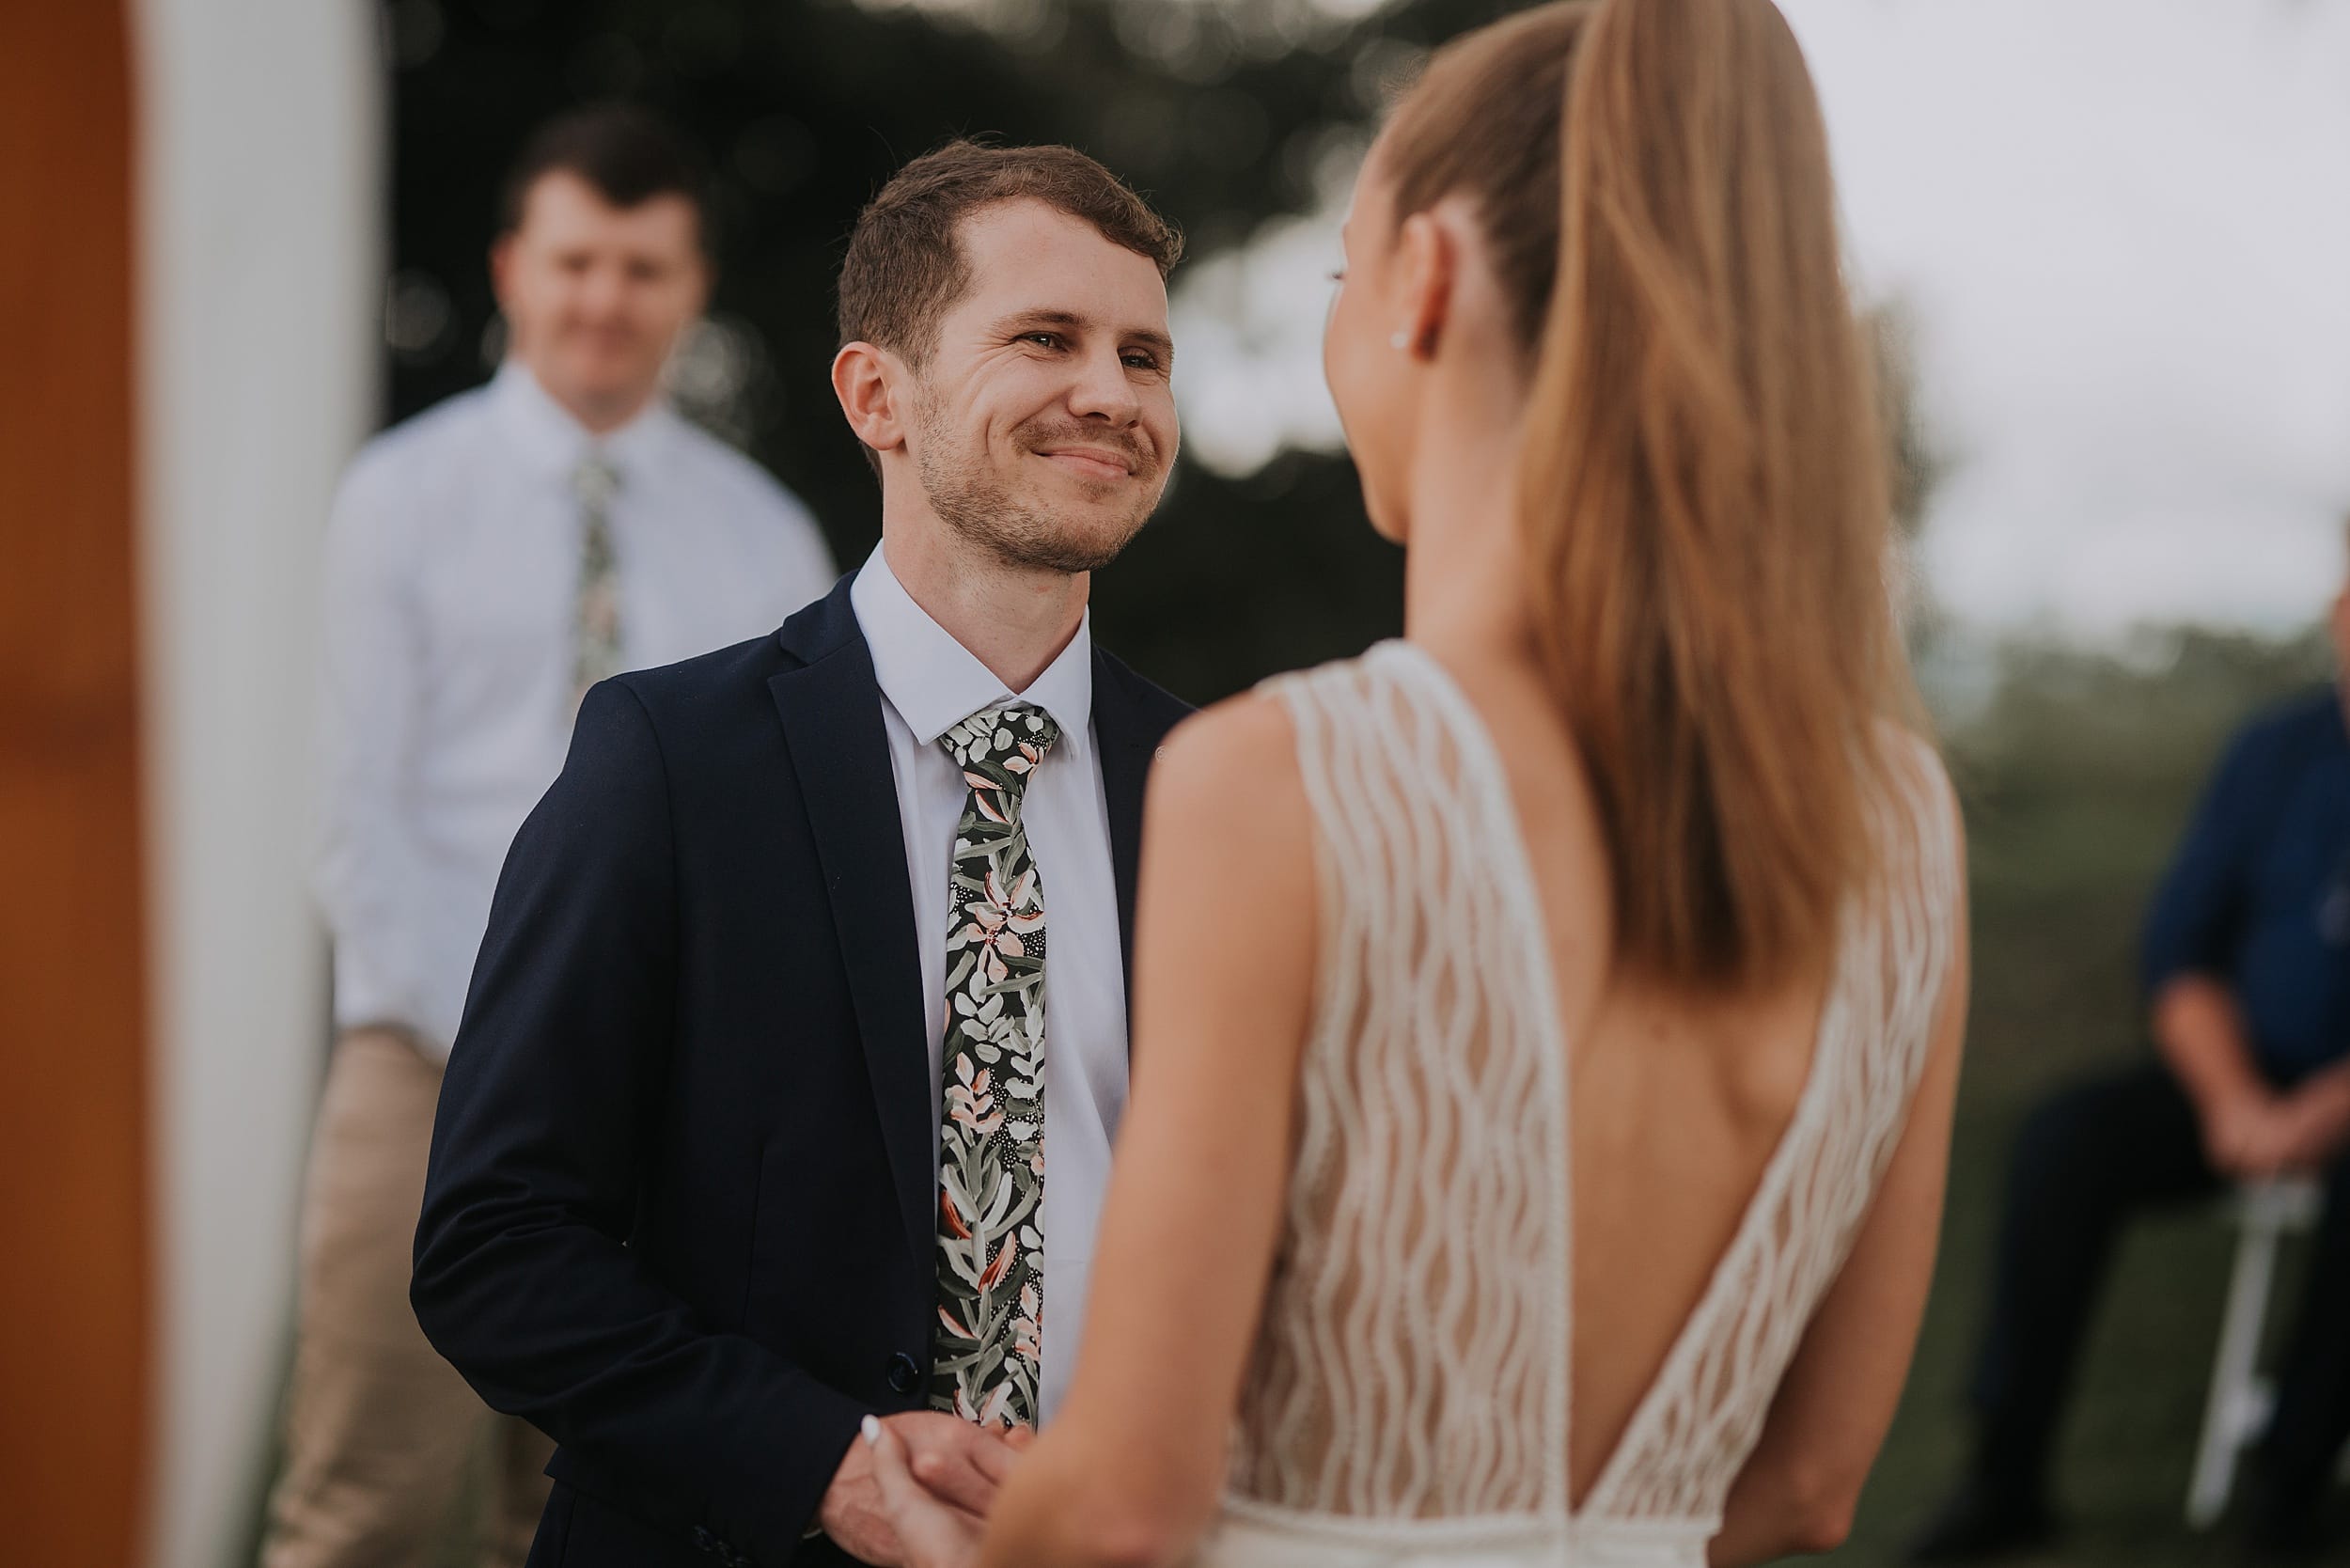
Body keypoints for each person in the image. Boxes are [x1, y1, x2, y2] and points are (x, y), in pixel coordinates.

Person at [856, 3, 1972, 1567]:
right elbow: (1805, 1488)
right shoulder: (1896, 818)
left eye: (1342, 275)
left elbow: (1118, 1510)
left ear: (1427, 278)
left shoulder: (1281, 779)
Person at [409, 139, 1193, 1566]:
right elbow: (496, 1248)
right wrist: (820, 1462)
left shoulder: (1224, 792)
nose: (1112, 393)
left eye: (1145, 355)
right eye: (1046, 338)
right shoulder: (669, 760)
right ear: (874, 394)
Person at [271, 104, 835, 1568]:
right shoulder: (399, 498)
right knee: (369, 1504)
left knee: (614, 1513)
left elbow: (787, 832)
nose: (605, 300)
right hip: (428, 1064)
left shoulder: (766, 538)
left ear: (692, 285)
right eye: (577, 261)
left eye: (642, 269)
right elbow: (349, 807)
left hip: (675, 1100)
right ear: (516, 266)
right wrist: (518, 1042)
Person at [1909, 569, 2350, 1563]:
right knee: (2064, 1141)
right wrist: (2233, 1100)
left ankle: (2290, 1483)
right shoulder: (2272, 754)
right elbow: (2181, 953)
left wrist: (2325, 1109)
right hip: (2244, 1075)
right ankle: (2005, 1472)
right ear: (2338, 614)